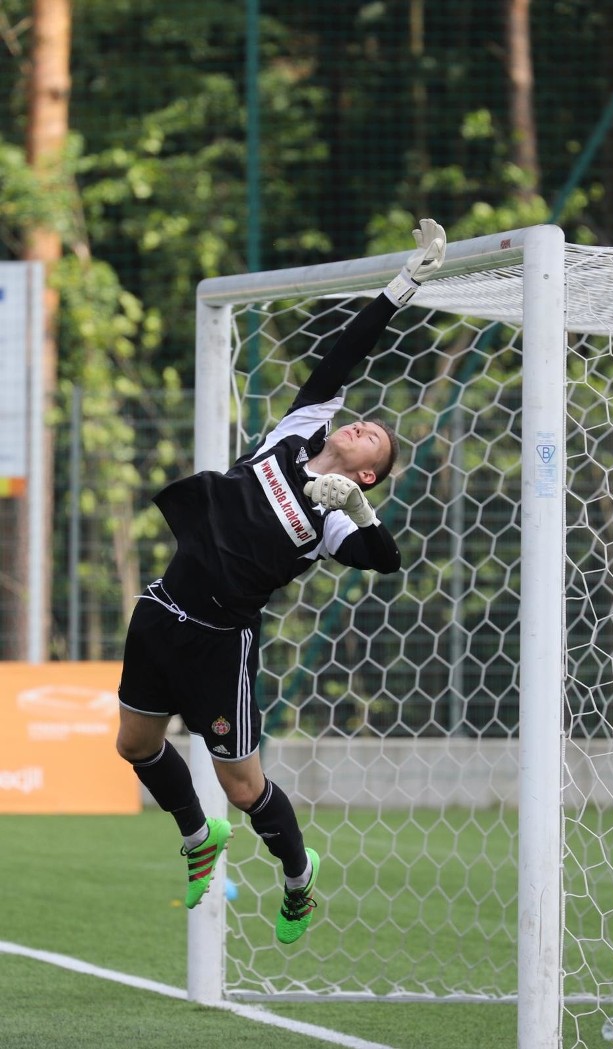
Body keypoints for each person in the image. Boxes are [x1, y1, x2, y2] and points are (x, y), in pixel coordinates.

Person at [116, 219, 448, 945]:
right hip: (162, 610)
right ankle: (198, 836)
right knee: (133, 745)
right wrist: (402, 285)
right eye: (364, 423)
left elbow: (384, 558)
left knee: (243, 786)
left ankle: (298, 872)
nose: (364, 425)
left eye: (375, 442)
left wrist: (358, 508)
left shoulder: (334, 517)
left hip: (220, 645)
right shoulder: (293, 434)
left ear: (367, 474)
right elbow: (343, 359)